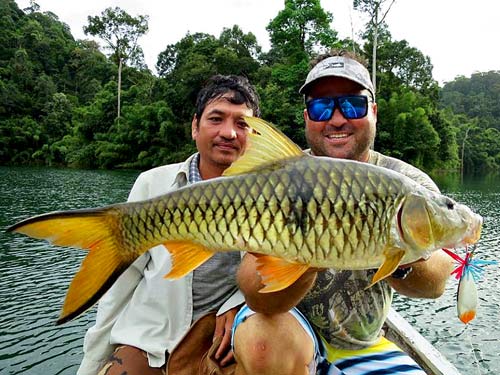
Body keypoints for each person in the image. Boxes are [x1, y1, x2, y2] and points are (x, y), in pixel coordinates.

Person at [232, 51, 454, 374]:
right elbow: (258, 296)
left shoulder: (408, 184)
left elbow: (437, 281)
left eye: (353, 104)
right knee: (262, 346)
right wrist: (310, 252)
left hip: (364, 343)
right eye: (321, 107)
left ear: (374, 112)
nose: (337, 119)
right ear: (307, 117)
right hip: (285, 324)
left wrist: (395, 250)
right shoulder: (278, 179)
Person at [77, 74, 260, 374]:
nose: (228, 133)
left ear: (255, 135)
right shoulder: (152, 184)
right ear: (194, 126)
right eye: (216, 119)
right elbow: (121, 283)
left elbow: (278, 269)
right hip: (149, 338)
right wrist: (93, 362)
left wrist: (241, 303)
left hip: (221, 341)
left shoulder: (271, 193)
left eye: (242, 124)